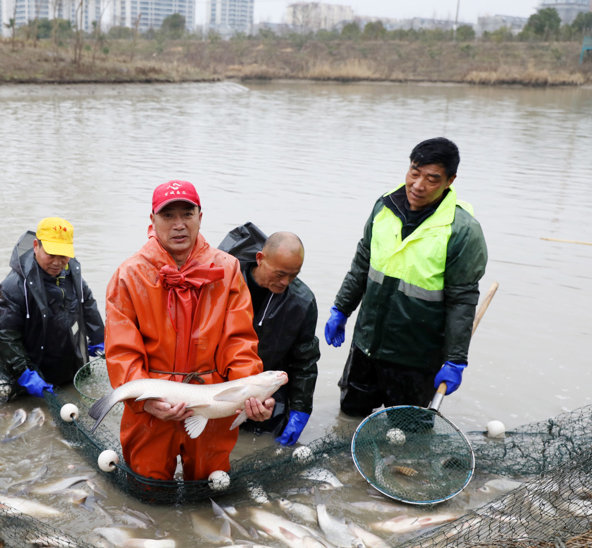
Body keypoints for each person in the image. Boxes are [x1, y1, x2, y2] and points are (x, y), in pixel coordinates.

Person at [105, 180, 272, 482]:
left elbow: (240, 341)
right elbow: (121, 351)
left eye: (187, 214)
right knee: (148, 488)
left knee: (210, 485)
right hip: (154, 402)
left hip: (211, 402)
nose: (179, 225)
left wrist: (253, 394)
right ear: (152, 221)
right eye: (168, 216)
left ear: (200, 217)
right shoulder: (128, 275)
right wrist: (144, 401)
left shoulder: (228, 269)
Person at [325, 137, 488, 417]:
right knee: (349, 418)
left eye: (432, 179)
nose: (418, 185)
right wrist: (341, 308)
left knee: (408, 433)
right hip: (366, 345)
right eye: (415, 172)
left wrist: (455, 360)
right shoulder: (384, 207)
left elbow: (462, 301)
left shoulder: (463, 231)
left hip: (416, 359)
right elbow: (363, 263)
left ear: (450, 181)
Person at [218, 224, 319, 446]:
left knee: (263, 442)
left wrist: (301, 409)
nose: (285, 282)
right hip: (221, 382)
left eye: (294, 275)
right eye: (280, 274)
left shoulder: (302, 303)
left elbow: (305, 361)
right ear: (260, 258)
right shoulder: (225, 281)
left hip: (268, 389)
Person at [0, 217, 104, 396]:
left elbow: (88, 305)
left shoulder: (73, 274)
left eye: (63, 255)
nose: (57, 262)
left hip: (69, 369)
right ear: (36, 246)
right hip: (33, 376)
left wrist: (99, 338)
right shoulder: (14, 286)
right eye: (51, 255)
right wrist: (24, 372)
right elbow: (4, 335)